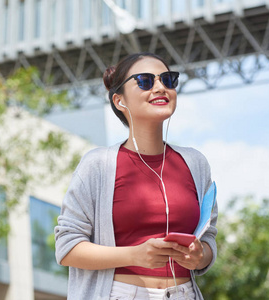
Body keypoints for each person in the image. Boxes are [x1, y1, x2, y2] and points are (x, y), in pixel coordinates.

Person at [54, 52, 218, 300]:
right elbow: (67, 248)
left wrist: (199, 256)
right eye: (145, 81)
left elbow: (208, 240)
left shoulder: (196, 163)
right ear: (120, 101)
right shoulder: (98, 164)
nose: (160, 87)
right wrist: (134, 255)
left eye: (168, 79)